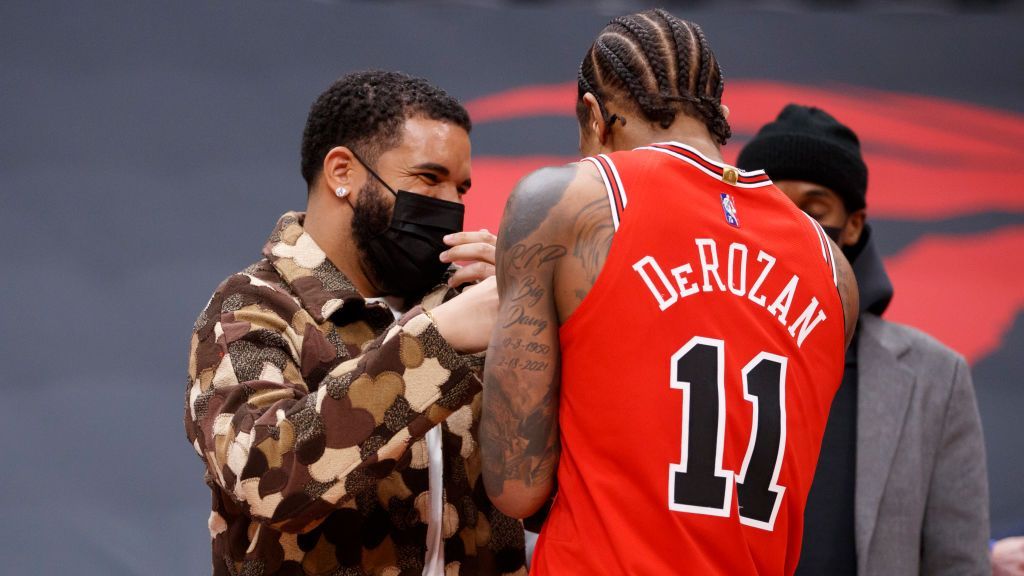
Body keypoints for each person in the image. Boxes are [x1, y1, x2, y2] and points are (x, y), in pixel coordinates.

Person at [479, 10, 859, 575]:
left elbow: (516, 485)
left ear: (593, 117)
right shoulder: (833, 269)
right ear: (720, 118)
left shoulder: (568, 202)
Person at [184, 70, 527, 576]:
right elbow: (266, 479)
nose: (453, 207)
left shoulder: (471, 298)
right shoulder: (252, 309)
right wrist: (436, 340)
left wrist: (536, 325)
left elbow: (547, 492)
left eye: (461, 188)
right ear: (342, 172)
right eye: (429, 178)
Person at [737, 104, 990, 575]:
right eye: (771, 206)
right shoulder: (700, 349)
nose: (792, 226)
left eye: (814, 210)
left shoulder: (936, 376)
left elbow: (957, 562)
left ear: (853, 224)